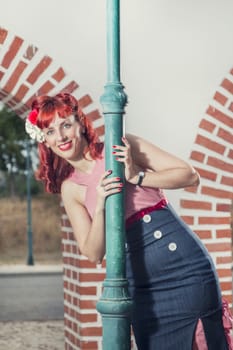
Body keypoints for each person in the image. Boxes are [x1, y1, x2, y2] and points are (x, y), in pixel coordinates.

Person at [25, 92, 232, 350]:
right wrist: (100, 205)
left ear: (80, 123)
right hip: (141, 287)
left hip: (186, 272)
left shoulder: (122, 145)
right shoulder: (71, 188)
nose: (61, 136)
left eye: (66, 124)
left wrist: (137, 175)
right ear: (45, 141)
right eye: (51, 131)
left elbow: (189, 175)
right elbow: (92, 252)